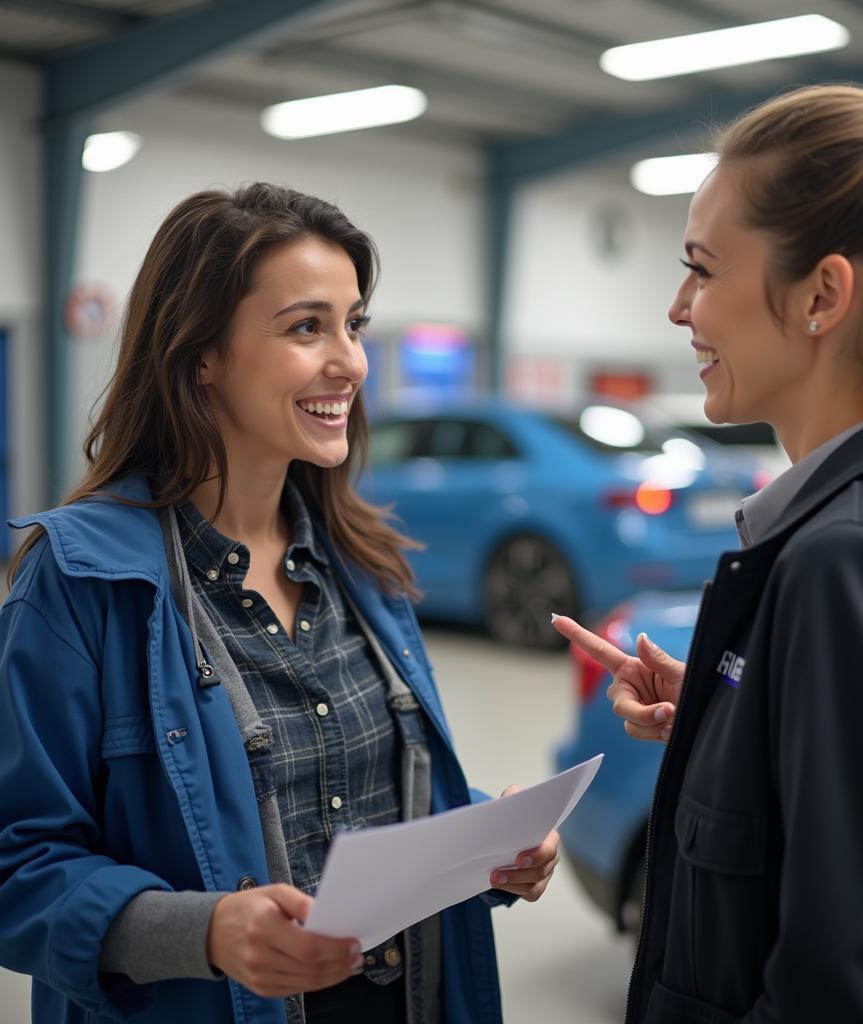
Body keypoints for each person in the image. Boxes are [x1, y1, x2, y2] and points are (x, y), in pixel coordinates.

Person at [0, 183, 559, 1024]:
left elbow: (359, 812)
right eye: (307, 327)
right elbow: (20, 865)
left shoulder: (361, 565)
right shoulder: (80, 584)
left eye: (354, 324)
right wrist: (207, 933)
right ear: (200, 358)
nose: (351, 362)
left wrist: (485, 841)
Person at [555, 76, 863, 1024]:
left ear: (822, 294)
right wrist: (737, 714)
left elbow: (844, 992)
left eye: (703, 267)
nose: (681, 308)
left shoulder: (854, 561)